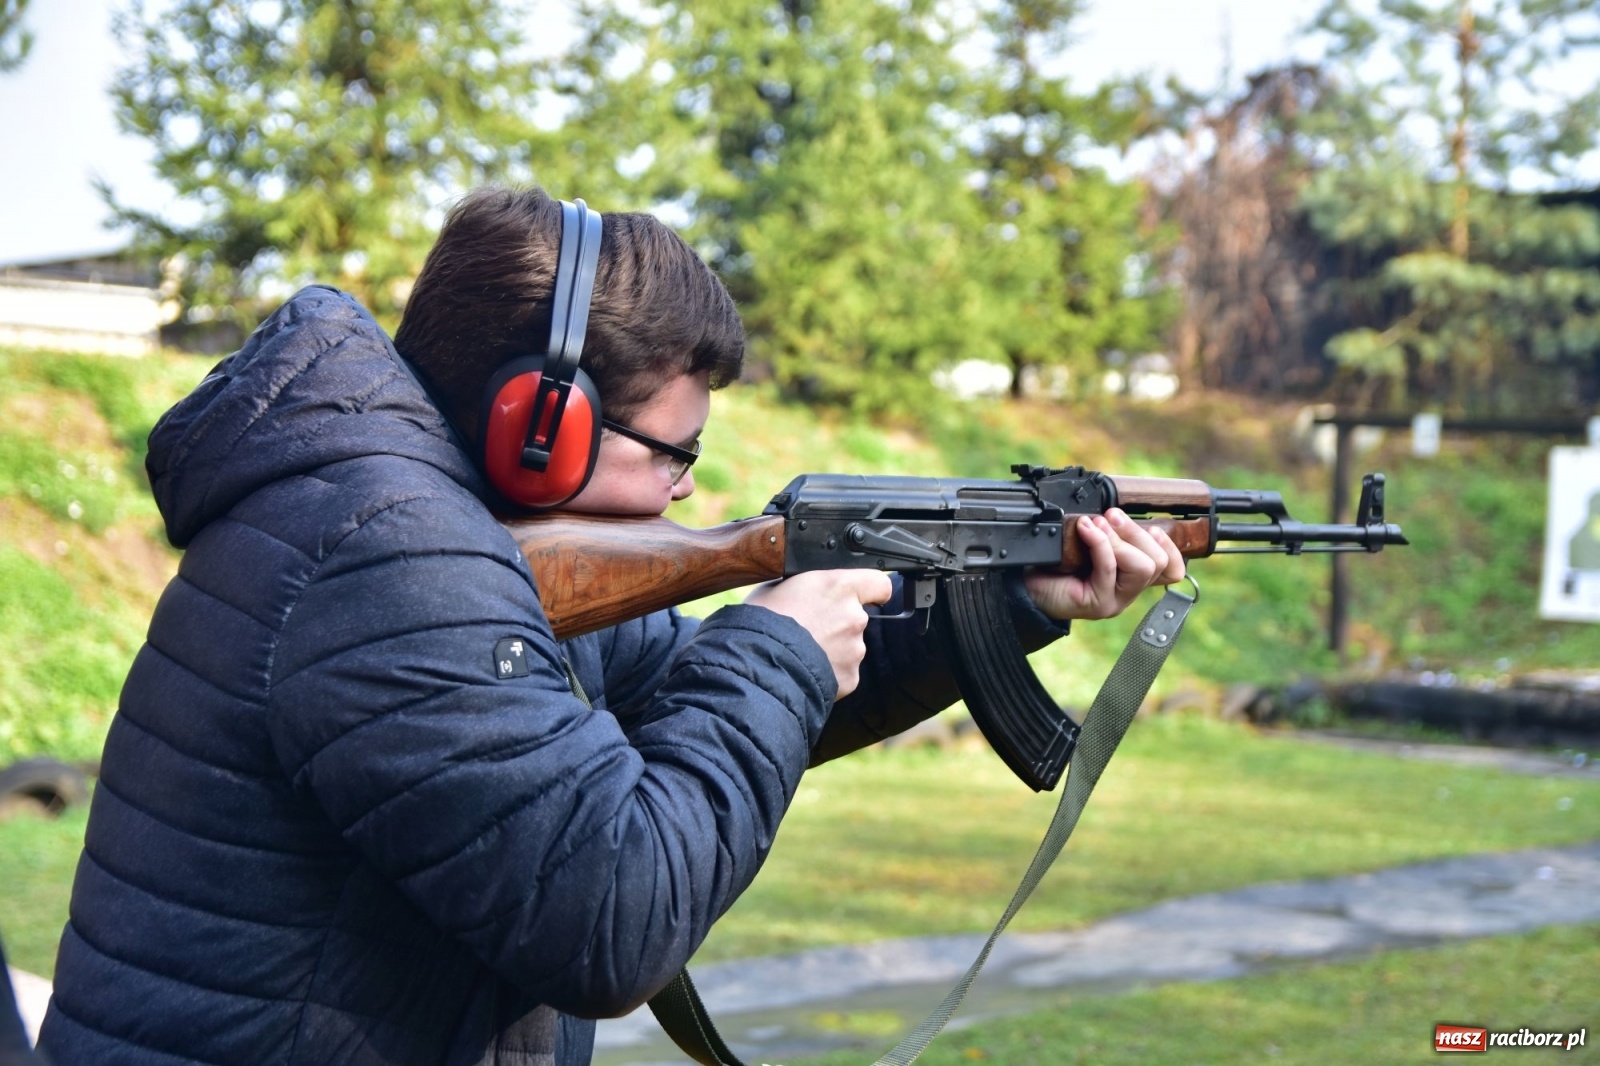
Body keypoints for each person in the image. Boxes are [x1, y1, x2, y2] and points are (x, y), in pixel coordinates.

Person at [38, 186, 1183, 1065]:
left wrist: (1002, 605)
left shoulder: (425, 532)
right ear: (539, 424)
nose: (689, 490)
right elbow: (613, 914)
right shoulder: (391, 563)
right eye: (672, 451)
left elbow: (689, 691)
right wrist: (782, 644)